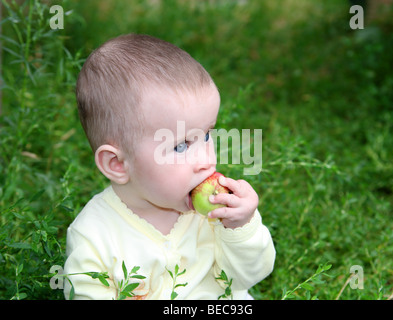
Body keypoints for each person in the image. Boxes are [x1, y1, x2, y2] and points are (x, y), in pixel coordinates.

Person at [64, 34, 275, 300]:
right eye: (180, 146)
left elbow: (248, 276)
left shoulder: (213, 216)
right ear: (117, 164)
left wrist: (241, 228)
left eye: (207, 135)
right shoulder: (94, 237)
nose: (206, 160)